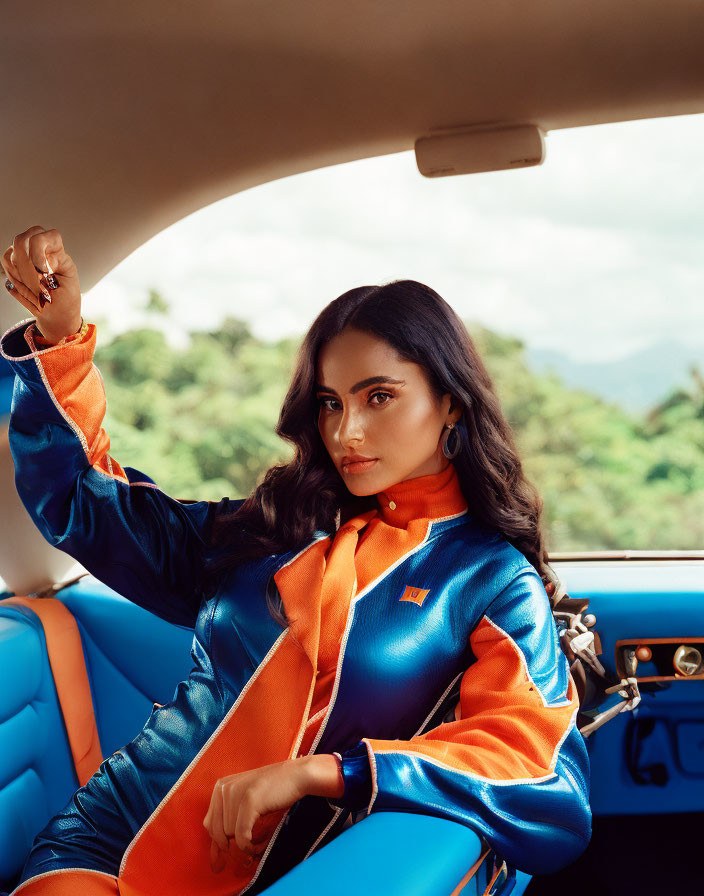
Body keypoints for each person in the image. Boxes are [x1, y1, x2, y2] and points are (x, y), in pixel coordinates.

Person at [1, 225, 591, 896]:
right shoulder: (274, 525)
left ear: (449, 399)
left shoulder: (490, 579)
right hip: (107, 842)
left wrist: (328, 772)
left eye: (380, 397)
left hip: (293, 876)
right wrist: (60, 338)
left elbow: (541, 775)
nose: (348, 432)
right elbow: (83, 502)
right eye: (330, 404)